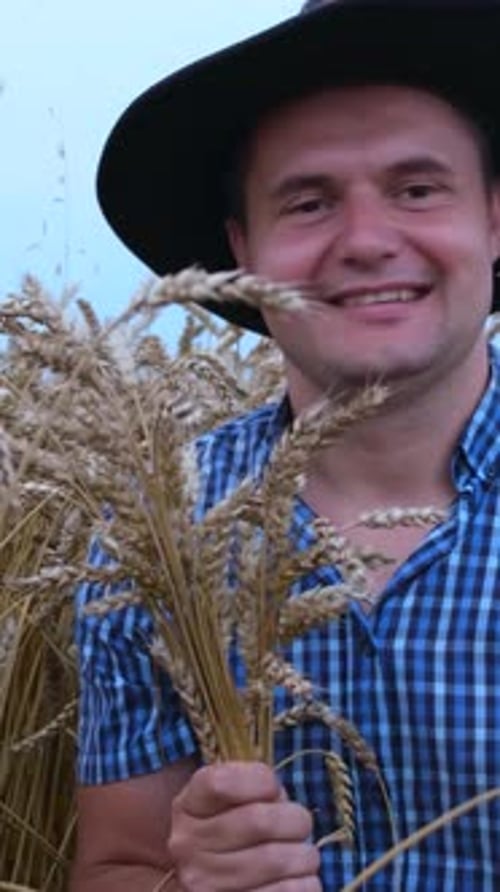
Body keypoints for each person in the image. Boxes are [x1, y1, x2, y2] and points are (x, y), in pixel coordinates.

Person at [71, 1, 500, 889]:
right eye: (308, 202)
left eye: (418, 189)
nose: (369, 241)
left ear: (494, 219)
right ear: (243, 251)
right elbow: (117, 864)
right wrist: (189, 881)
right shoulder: (154, 532)